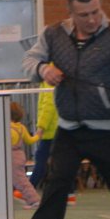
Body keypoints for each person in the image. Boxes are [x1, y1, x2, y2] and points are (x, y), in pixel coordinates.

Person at [12, 0, 110, 219]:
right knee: (56, 185)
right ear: (71, 13)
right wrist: (43, 69)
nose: (92, 19)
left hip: (108, 129)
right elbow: (29, 60)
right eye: (84, 15)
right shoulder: (53, 34)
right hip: (69, 129)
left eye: (96, 12)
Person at [28, 77, 78, 206]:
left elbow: (49, 106)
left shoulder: (48, 80)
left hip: (50, 130)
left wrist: (41, 126)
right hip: (60, 126)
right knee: (63, 161)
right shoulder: (59, 77)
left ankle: (29, 191)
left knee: (41, 159)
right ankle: (70, 194)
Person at [9, 101, 40, 209]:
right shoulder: (21, 127)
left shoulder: (6, 128)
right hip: (20, 155)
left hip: (11, 157)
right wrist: (38, 134)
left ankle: (34, 200)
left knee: (20, 181)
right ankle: (31, 200)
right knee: (21, 180)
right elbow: (30, 140)